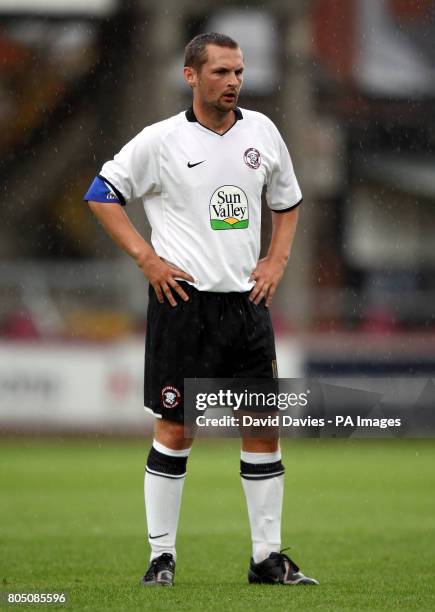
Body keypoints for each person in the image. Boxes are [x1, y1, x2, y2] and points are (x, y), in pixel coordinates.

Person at [84, 32, 318, 587]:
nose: (233, 81)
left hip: (247, 305)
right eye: (220, 72)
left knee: (262, 430)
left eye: (238, 71)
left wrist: (276, 261)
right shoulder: (160, 140)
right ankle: (161, 558)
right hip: (183, 304)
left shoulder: (262, 132)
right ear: (191, 76)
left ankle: (267, 559)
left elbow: (287, 201)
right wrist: (147, 258)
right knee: (176, 429)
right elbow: (101, 192)